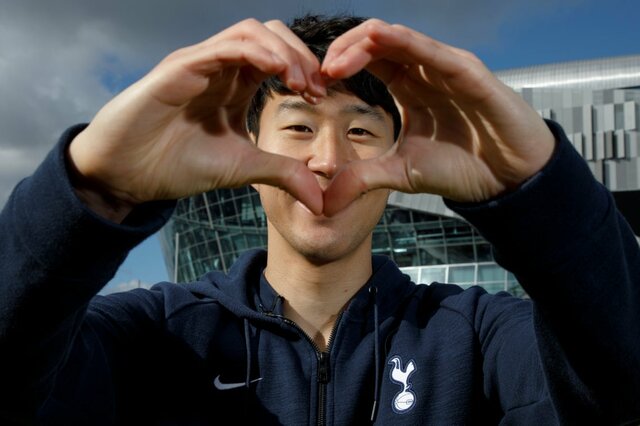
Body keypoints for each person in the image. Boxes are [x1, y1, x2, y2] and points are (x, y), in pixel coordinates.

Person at [1, 14, 638, 425]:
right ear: (248, 154)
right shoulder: (152, 333)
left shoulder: (478, 337)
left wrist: (537, 186)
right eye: (299, 128)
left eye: (361, 131)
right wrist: (94, 190)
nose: (328, 161)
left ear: (399, 159)